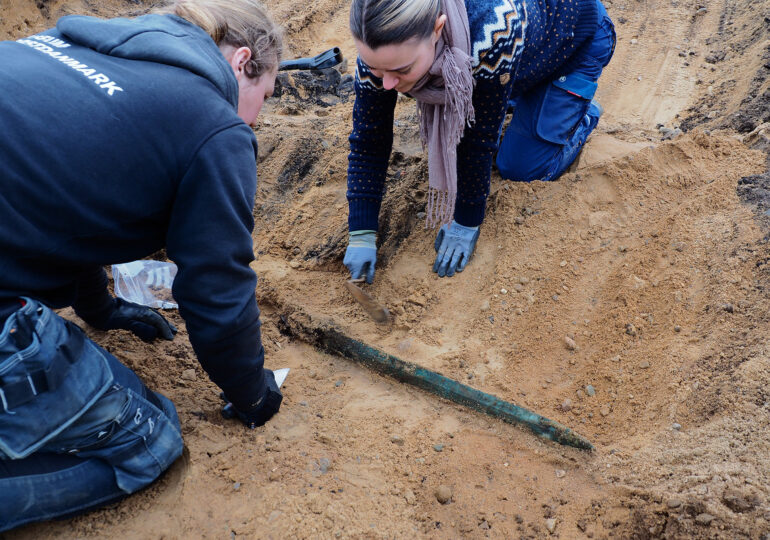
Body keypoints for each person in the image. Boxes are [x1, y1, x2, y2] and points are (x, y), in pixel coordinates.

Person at [0, 0, 282, 530]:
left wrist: (101, 308)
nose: (255, 119)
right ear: (243, 61)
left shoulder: (77, 43)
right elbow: (216, 285)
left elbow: (66, 202)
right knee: (149, 441)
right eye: (263, 97)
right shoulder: (213, 126)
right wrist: (252, 392)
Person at [343, 0, 616, 281]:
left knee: (519, 167)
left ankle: (581, 118)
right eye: (377, 69)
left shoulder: (493, 29)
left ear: (438, 30)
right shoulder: (380, 42)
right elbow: (369, 139)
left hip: (572, 41)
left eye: (402, 70)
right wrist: (361, 232)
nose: (387, 82)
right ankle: (508, 92)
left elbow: (477, 141)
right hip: (515, 53)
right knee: (490, 88)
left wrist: (466, 221)